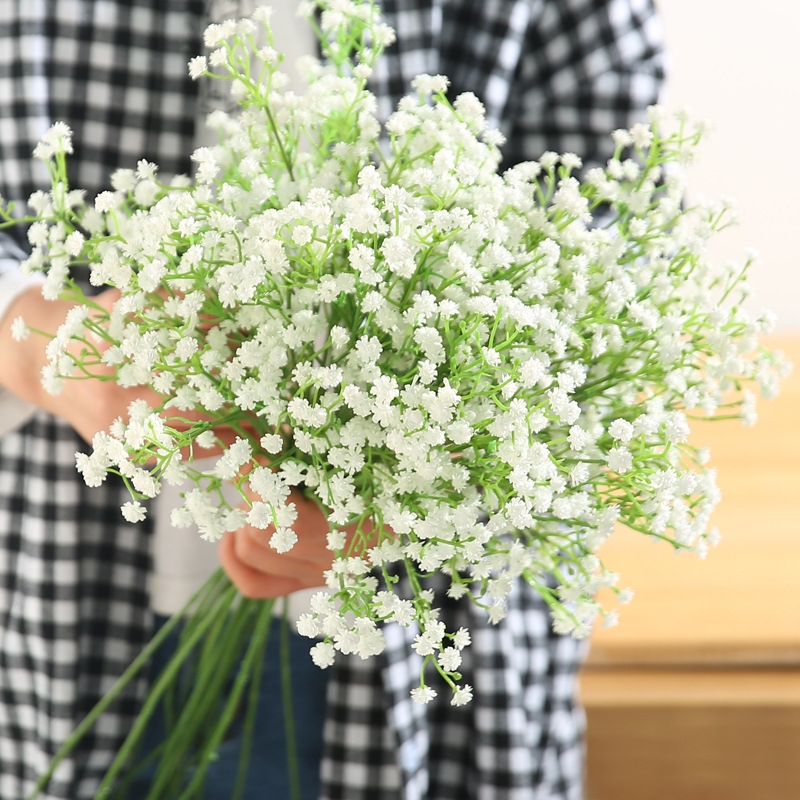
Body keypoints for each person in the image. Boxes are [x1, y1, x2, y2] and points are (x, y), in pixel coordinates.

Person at [0, 1, 665, 798]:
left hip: (434, 620)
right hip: (63, 578)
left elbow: (626, 231)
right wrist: (46, 342)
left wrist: (430, 461)